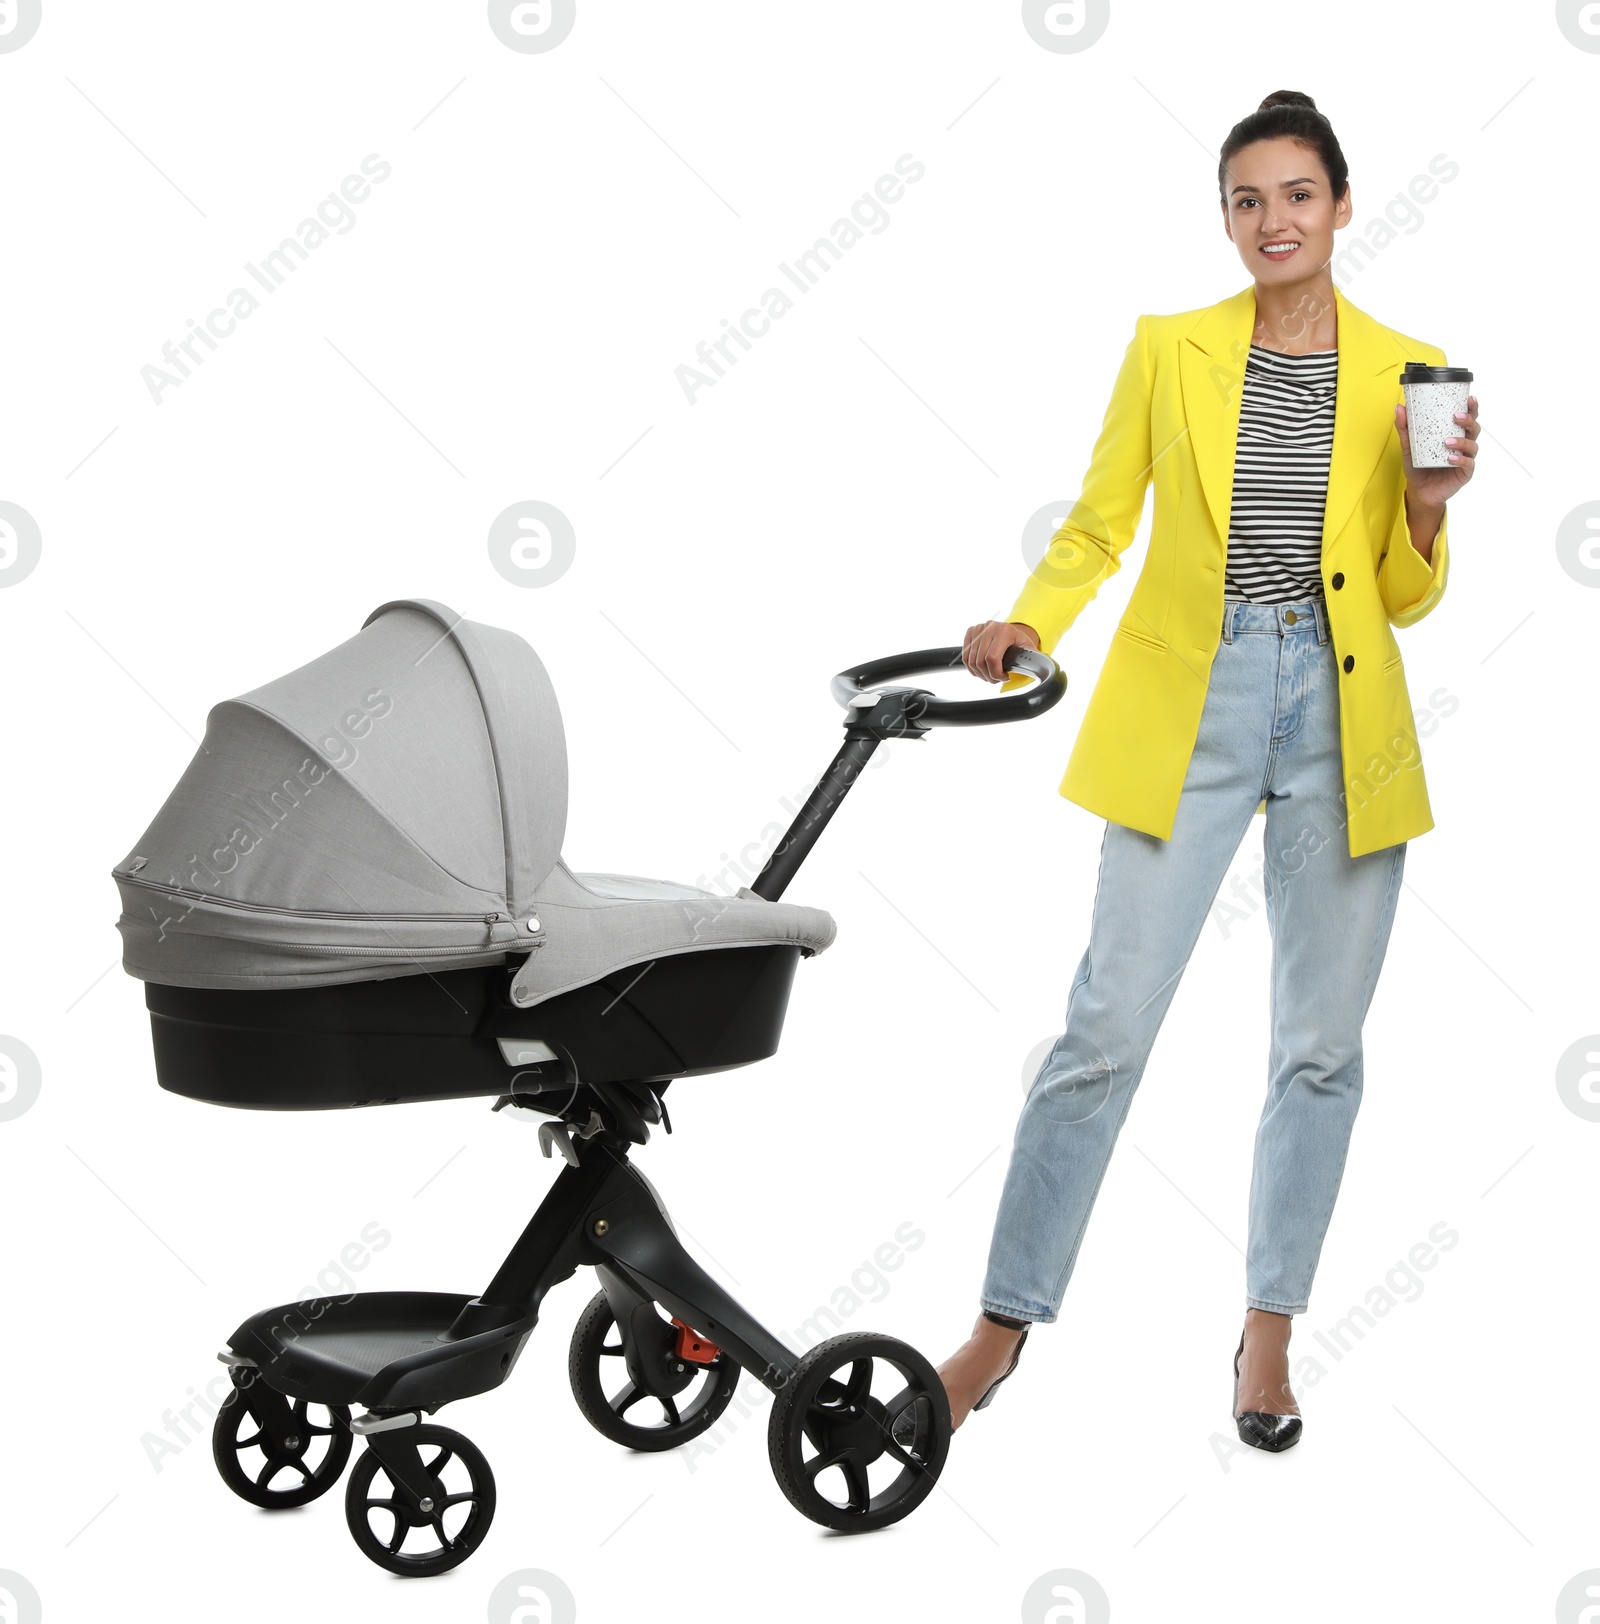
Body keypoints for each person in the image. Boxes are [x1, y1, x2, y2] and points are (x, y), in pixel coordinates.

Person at [929, 90, 1480, 1451]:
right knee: (1103, 1030)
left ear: (1343, 206)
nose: (1273, 221)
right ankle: (998, 1329)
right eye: (1247, 200)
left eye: (1298, 195)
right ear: (1227, 219)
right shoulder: (1169, 350)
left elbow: (1407, 602)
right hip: (1198, 698)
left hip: (1346, 715)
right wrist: (1029, 620)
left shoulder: (1417, 368)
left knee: (1321, 1050)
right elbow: (1101, 519)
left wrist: (1424, 508)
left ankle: (1270, 1337)